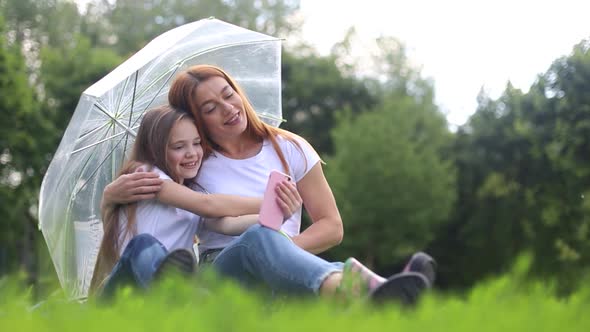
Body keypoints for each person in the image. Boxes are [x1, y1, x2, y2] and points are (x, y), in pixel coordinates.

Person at [103, 65, 435, 304]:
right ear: (196, 120)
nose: (228, 109)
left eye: (228, 95)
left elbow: (332, 227)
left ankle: (377, 291)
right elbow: (215, 216)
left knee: (264, 238)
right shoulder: (197, 164)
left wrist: (278, 258)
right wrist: (109, 196)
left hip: (287, 258)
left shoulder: (289, 147)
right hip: (221, 269)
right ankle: (363, 290)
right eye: (210, 108)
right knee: (260, 237)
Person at [91, 105, 302, 298]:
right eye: (178, 147)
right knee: (144, 245)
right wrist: (265, 200)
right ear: (156, 149)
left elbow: (227, 224)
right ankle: (177, 290)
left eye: (197, 143)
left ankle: (175, 291)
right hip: (123, 287)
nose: (192, 153)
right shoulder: (146, 175)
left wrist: (275, 212)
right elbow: (207, 205)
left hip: (154, 296)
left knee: (254, 236)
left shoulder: (188, 197)